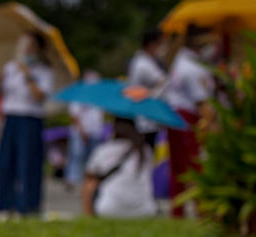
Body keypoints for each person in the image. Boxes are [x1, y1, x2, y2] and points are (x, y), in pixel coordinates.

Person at [0, 31, 54, 218]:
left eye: (30, 46)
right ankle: (6, 205)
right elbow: (4, 93)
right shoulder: (11, 67)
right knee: (5, 163)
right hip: (11, 117)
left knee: (28, 163)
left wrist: (28, 75)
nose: (26, 49)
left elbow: (39, 96)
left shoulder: (44, 71)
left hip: (30, 118)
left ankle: (28, 206)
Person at [165, 24, 216, 218]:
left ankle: (177, 211)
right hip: (188, 118)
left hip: (176, 117)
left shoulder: (180, 60)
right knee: (194, 166)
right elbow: (201, 102)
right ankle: (201, 210)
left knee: (178, 168)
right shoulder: (194, 67)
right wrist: (211, 125)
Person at [81, 117, 157, 218]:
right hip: (145, 210)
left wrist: (89, 216)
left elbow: (89, 185)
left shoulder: (104, 150)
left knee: (92, 182)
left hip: (109, 209)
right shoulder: (145, 150)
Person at [127, 28, 169, 149]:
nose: (162, 48)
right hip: (145, 120)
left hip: (148, 118)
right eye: (160, 43)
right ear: (151, 44)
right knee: (147, 154)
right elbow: (164, 82)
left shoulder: (145, 62)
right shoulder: (143, 65)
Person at [65, 71, 105, 193]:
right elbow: (74, 115)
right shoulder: (80, 96)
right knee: (77, 156)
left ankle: (89, 180)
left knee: (92, 158)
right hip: (80, 132)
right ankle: (72, 179)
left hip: (94, 132)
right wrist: (82, 131)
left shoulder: (98, 98)